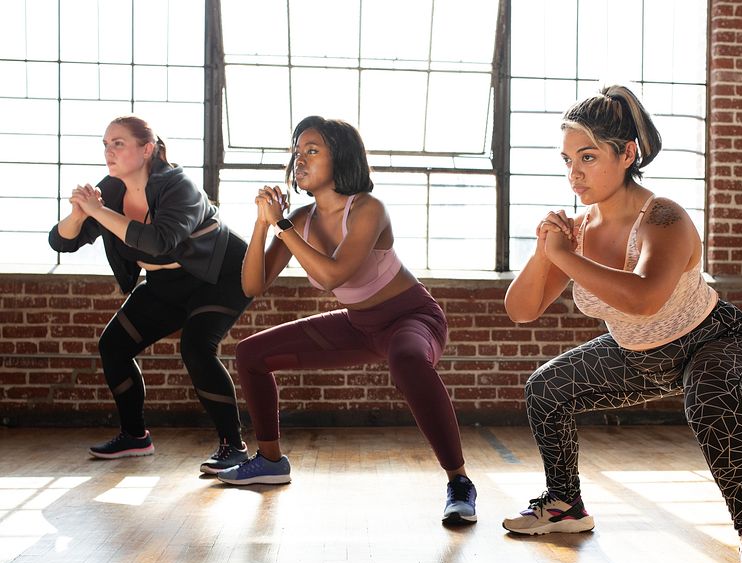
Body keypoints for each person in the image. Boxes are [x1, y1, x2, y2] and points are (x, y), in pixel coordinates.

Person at [502, 85, 742, 563]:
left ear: (627, 153)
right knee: (546, 388)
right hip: (638, 355)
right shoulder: (577, 228)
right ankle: (565, 505)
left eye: (588, 157)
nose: (574, 173)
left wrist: (564, 256)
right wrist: (546, 248)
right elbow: (521, 310)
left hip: (715, 342)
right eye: (568, 160)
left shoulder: (664, 217)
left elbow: (643, 300)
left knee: (712, 401)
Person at [219, 116, 477, 525]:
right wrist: (260, 224)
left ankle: (459, 483)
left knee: (407, 360)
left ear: (341, 158)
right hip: (359, 325)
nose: (299, 160)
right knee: (250, 353)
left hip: (411, 317)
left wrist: (281, 226)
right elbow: (252, 286)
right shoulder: (300, 220)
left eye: (312, 151)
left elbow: (331, 275)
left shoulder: (367, 209)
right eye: (296, 151)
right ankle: (269, 460)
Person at [48, 115, 252, 474]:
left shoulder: (179, 186)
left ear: (147, 149)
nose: (109, 152)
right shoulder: (109, 190)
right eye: (106, 144)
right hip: (167, 284)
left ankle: (233, 447)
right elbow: (60, 241)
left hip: (220, 276)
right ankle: (134, 436)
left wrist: (98, 211)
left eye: (118, 143)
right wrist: (79, 215)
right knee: (114, 345)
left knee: (196, 346)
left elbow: (158, 241)